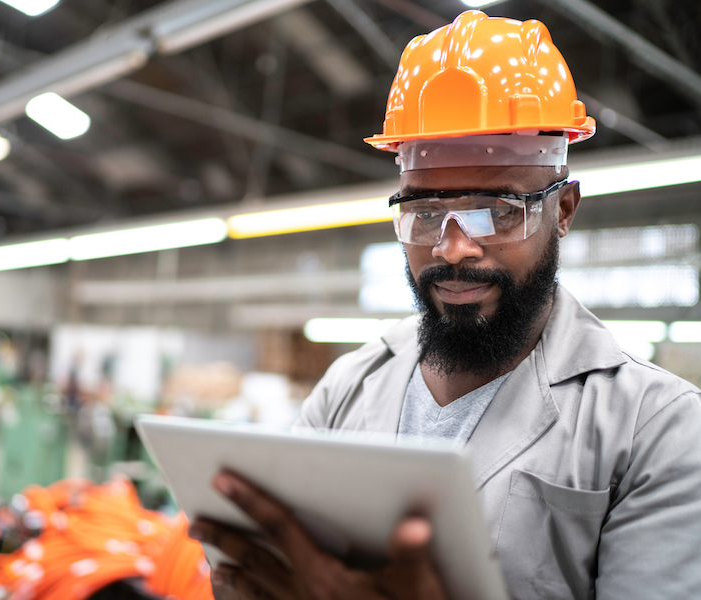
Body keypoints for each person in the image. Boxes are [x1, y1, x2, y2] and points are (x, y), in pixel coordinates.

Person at [187, 10, 701, 600]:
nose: (453, 247)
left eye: (499, 210)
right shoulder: (347, 389)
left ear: (563, 210)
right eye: (425, 213)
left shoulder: (657, 428)